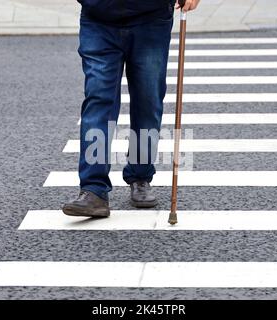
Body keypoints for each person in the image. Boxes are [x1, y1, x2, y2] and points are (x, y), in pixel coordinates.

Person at [63, 0, 200, 218]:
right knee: (98, 99)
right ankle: (93, 188)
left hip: (151, 18)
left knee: (148, 101)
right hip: (98, 17)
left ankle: (140, 175)